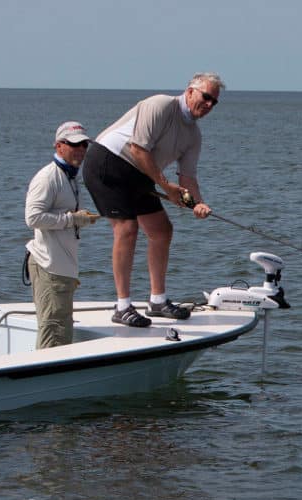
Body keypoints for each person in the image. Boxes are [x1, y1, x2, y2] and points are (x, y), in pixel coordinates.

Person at [83, 72, 224, 327]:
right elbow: (138, 149)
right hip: (107, 162)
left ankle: (157, 301)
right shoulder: (159, 105)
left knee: (162, 230)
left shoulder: (193, 135)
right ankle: (122, 306)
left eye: (214, 102)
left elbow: (188, 178)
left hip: (141, 171)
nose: (209, 105)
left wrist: (198, 204)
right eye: (206, 97)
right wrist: (166, 186)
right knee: (127, 229)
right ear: (190, 91)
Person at [24, 121, 100, 349]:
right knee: (54, 332)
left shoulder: (70, 176)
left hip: (61, 268)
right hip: (50, 266)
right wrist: (72, 219)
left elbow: (59, 216)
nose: (81, 150)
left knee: (59, 329)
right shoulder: (48, 177)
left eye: (84, 145)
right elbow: (32, 218)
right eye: (74, 144)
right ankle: (42, 381)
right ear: (58, 146)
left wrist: (81, 219)